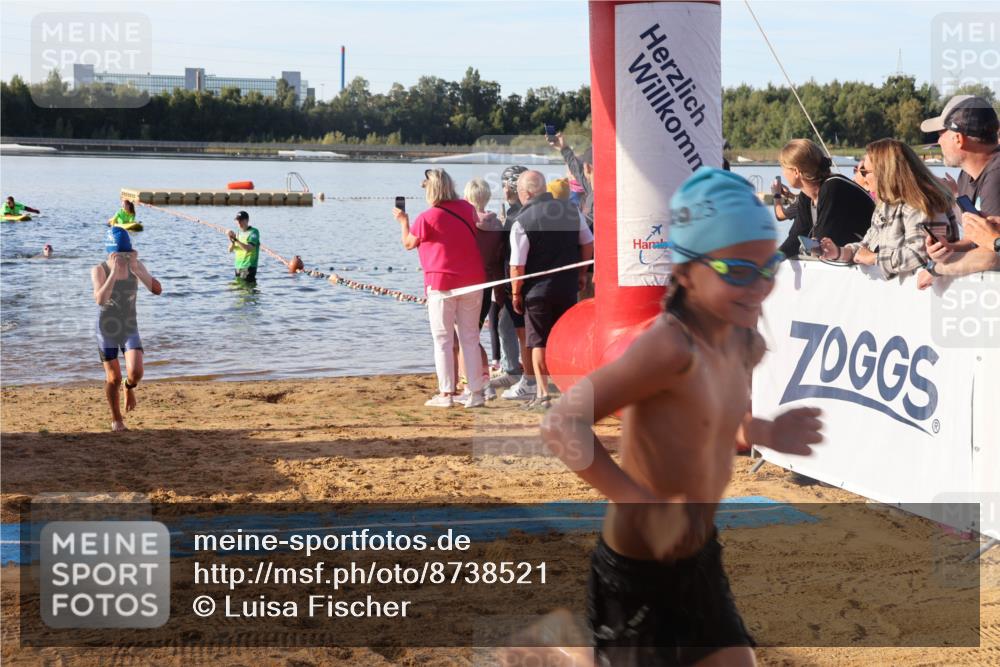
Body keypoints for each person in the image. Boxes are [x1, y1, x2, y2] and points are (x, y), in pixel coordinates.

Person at [540, 167, 822, 667]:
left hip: (697, 550)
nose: (757, 287)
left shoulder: (742, 340)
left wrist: (765, 430)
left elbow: (720, 422)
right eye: (736, 271)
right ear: (686, 274)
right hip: (638, 562)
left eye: (767, 268)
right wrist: (642, 503)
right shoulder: (668, 346)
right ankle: (562, 652)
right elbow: (562, 423)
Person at [394, 168, 486, 408]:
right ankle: (475, 393)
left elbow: (408, 243)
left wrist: (403, 222)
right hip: (473, 279)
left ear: (431, 189)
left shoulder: (427, 217)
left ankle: (447, 393)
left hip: (441, 282)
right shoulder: (468, 208)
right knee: (470, 337)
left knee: (443, 339)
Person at [509, 171, 594, 410]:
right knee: (564, 338)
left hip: (537, 291)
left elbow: (517, 265)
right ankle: (566, 389)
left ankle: (544, 393)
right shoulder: (570, 210)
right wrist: (580, 273)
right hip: (566, 287)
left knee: (538, 341)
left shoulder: (522, 220)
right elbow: (588, 242)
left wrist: (516, 293)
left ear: (525, 193)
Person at [820, 139, 953, 279]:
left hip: (921, 294)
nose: (863, 178)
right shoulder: (885, 206)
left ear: (884, 173)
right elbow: (867, 245)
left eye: (865, 171)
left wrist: (874, 258)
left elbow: (920, 253)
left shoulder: (920, 206)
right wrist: (838, 252)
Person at [917, 95, 1000, 286]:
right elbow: (978, 238)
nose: (938, 142)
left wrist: (937, 269)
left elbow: (992, 254)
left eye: (940, 133)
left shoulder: (996, 175)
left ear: (958, 138)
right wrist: (950, 248)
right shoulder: (967, 175)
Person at [91, 227, 162, 432]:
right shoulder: (100, 270)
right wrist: (113, 272)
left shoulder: (136, 266)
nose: (121, 258)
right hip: (107, 328)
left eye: (125, 253)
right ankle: (117, 420)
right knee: (112, 378)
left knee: (136, 372)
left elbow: (157, 290)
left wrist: (138, 269)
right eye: (117, 254)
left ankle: (129, 387)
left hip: (129, 325)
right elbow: (100, 299)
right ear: (110, 253)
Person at [776, 139, 874, 258]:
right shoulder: (806, 195)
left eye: (784, 167)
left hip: (869, 258)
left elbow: (823, 241)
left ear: (796, 171)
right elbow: (795, 239)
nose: (783, 172)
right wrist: (770, 262)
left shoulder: (833, 187)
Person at [493, 165, 537, 399]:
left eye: (503, 185)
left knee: (522, 332)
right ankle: (514, 369)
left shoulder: (516, 215)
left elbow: (509, 253)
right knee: (505, 325)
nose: (502, 190)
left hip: (516, 281)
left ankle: (526, 378)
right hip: (517, 280)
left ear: (510, 187)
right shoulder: (520, 211)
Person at [464, 177, 504, 401]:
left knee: (466, 336)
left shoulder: (466, 223)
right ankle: (482, 378)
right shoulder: (497, 223)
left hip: (468, 284)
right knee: (473, 334)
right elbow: (499, 258)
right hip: (488, 284)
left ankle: (478, 380)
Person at [227, 211, 260, 282]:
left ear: (247, 220)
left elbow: (248, 248)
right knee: (238, 290)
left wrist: (235, 239)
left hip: (248, 266)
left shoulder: (254, 232)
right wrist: (232, 240)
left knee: (245, 289)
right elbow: (230, 250)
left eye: (241, 220)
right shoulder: (238, 233)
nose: (239, 222)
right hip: (238, 266)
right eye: (237, 220)